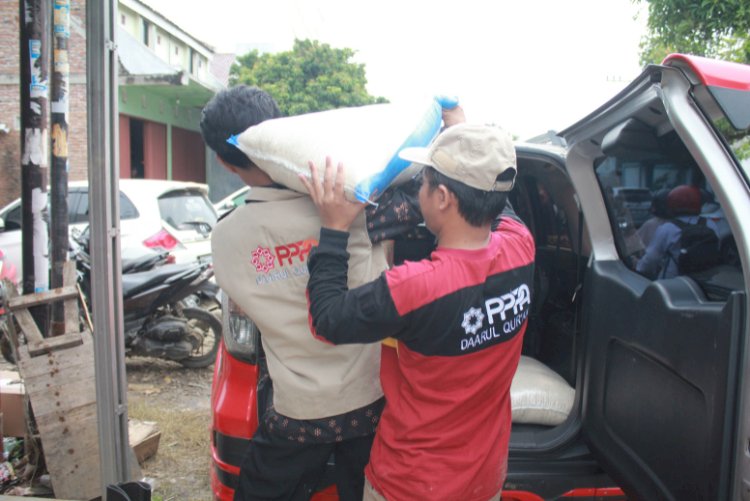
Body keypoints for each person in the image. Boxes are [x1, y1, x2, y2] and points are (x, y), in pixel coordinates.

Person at [301, 123, 535, 501]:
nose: (418, 191)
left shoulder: (414, 287)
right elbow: (498, 198)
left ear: (442, 197)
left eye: (422, 182)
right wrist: (463, 136)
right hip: (484, 479)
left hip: (411, 484)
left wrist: (334, 228)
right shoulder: (521, 246)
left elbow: (326, 320)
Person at [200, 85, 389, 501]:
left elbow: (248, 308)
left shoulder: (226, 239)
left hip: (298, 412)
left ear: (223, 162)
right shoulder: (357, 203)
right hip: (371, 401)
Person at [636, 184, 719, 279]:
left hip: (673, 282)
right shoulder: (710, 224)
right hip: (704, 281)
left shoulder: (668, 228)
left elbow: (651, 258)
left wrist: (638, 268)